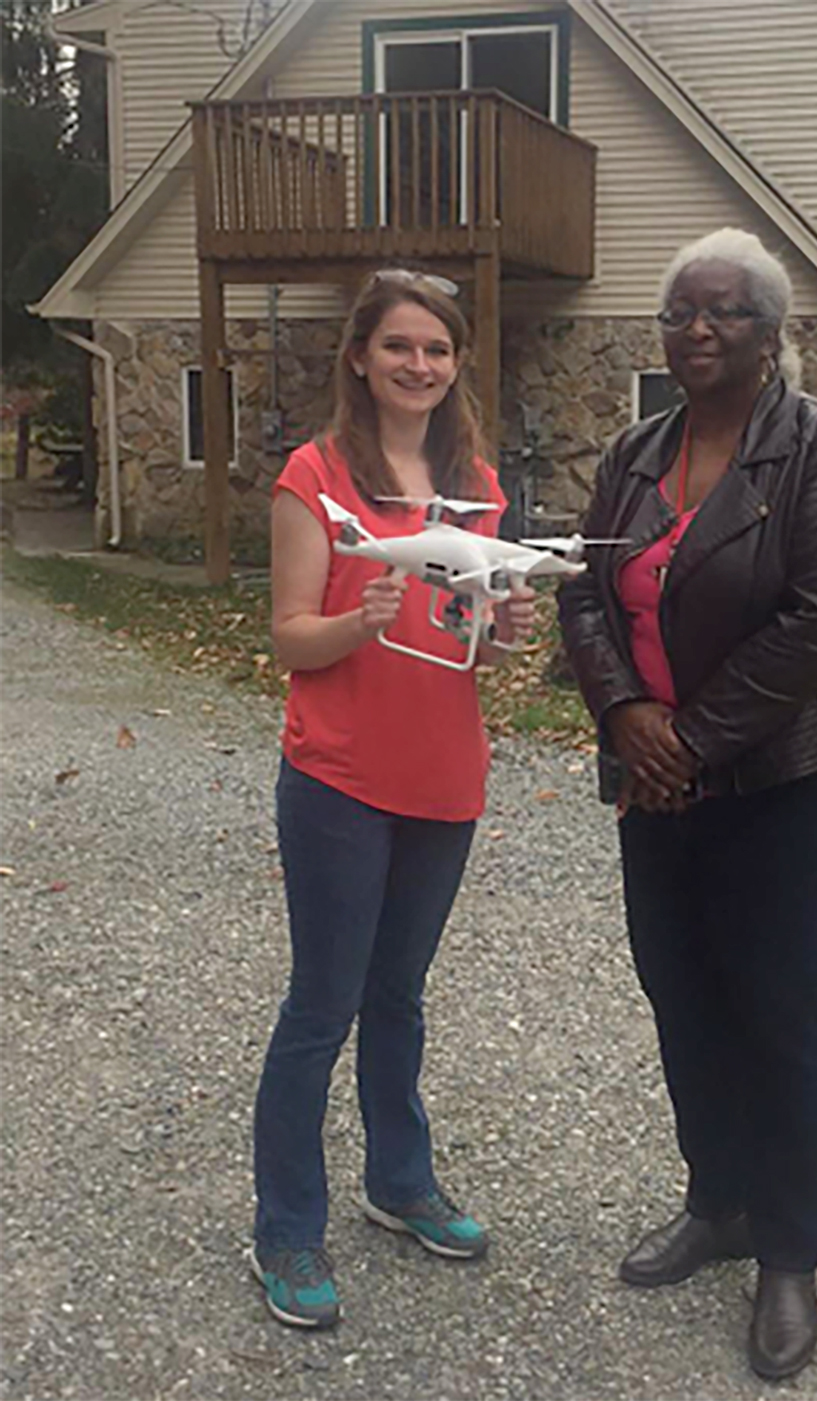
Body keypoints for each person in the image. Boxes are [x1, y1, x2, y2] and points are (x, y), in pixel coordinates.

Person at [558, 228, 817, 1381]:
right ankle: (720, 1204)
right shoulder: (635, 452)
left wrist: (685, 739)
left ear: (770, 334)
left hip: (792, 775)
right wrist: (623, 718)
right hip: (656, 774)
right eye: (678, 313)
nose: (696, 330)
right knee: (682, 992)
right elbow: (586, 595)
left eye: (725, 312)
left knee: (781, 1007)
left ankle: (790, 1253)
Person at [251, 268, 534, 1329]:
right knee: (322, 1004)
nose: (419, 365)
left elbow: (476, 650)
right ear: (360, 358)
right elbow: (288, 639)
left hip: (444, 777)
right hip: (338, 776)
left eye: (438, 350)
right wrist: (357, 622)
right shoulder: (312, 477)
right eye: (399, 346)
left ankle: (398, 1182)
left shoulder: (478, 486)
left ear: (456, 365)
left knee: (401, 996)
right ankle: (285, 1228)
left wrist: (503, 636)